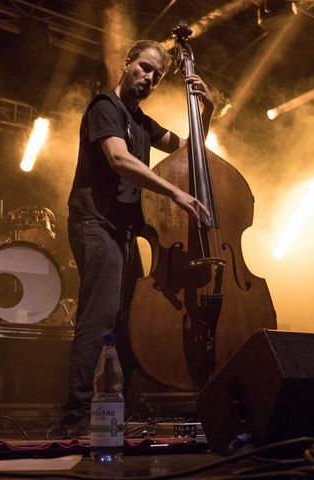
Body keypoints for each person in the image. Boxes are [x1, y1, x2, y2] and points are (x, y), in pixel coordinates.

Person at [60, 39, 213, 437]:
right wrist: (176, 192)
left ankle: (112, 413)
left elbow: (189, 153)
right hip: (95, 224)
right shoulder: (104, 108)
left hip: (125, 232)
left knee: (129, 323)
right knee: (101, 317)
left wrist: (206, 112)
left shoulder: (143, 122)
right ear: (126, 63)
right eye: (143, 68)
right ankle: (75, 420)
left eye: (156, 75)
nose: (148, 77)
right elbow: (119, 159)